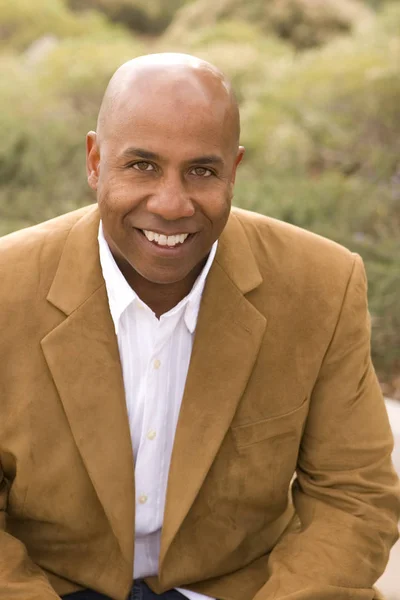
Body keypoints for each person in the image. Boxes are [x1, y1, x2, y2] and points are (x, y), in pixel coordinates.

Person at [0, 52, 399, 600]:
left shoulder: (321, 286)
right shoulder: (6, 287)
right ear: (95, 161)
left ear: (234, 170)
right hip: (50, 585)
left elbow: (353, 496)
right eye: (142, 165)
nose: (171, 203)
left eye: (202, 171)